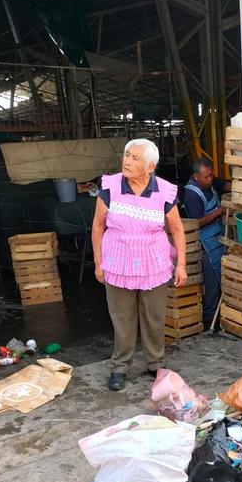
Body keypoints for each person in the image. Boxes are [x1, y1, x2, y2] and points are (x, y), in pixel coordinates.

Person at [92, 139, 187, 391]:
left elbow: (177, 230)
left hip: (154, 264)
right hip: (117, 263)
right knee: (122, 317)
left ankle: (155, 363)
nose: (127, 161)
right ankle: (120, 366)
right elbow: (98, 226)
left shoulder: (164, 191)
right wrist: (98, 261)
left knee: (154, 317)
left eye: (135, 158)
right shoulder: (110, 188)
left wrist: (181, 265)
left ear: (150, 166)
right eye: (126, 155)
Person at [181, 158, 232, 329]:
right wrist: (220, 210)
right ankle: (211, 320)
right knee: (211, 283)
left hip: (219, 238)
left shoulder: (210, 181)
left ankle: (223, 316)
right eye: (206, 177)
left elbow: (226, 186)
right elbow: (197, 222)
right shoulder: (192, 194)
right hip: (205, 245)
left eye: (211, 175)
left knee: (223, 279)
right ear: (196, 176)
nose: (210, 179)